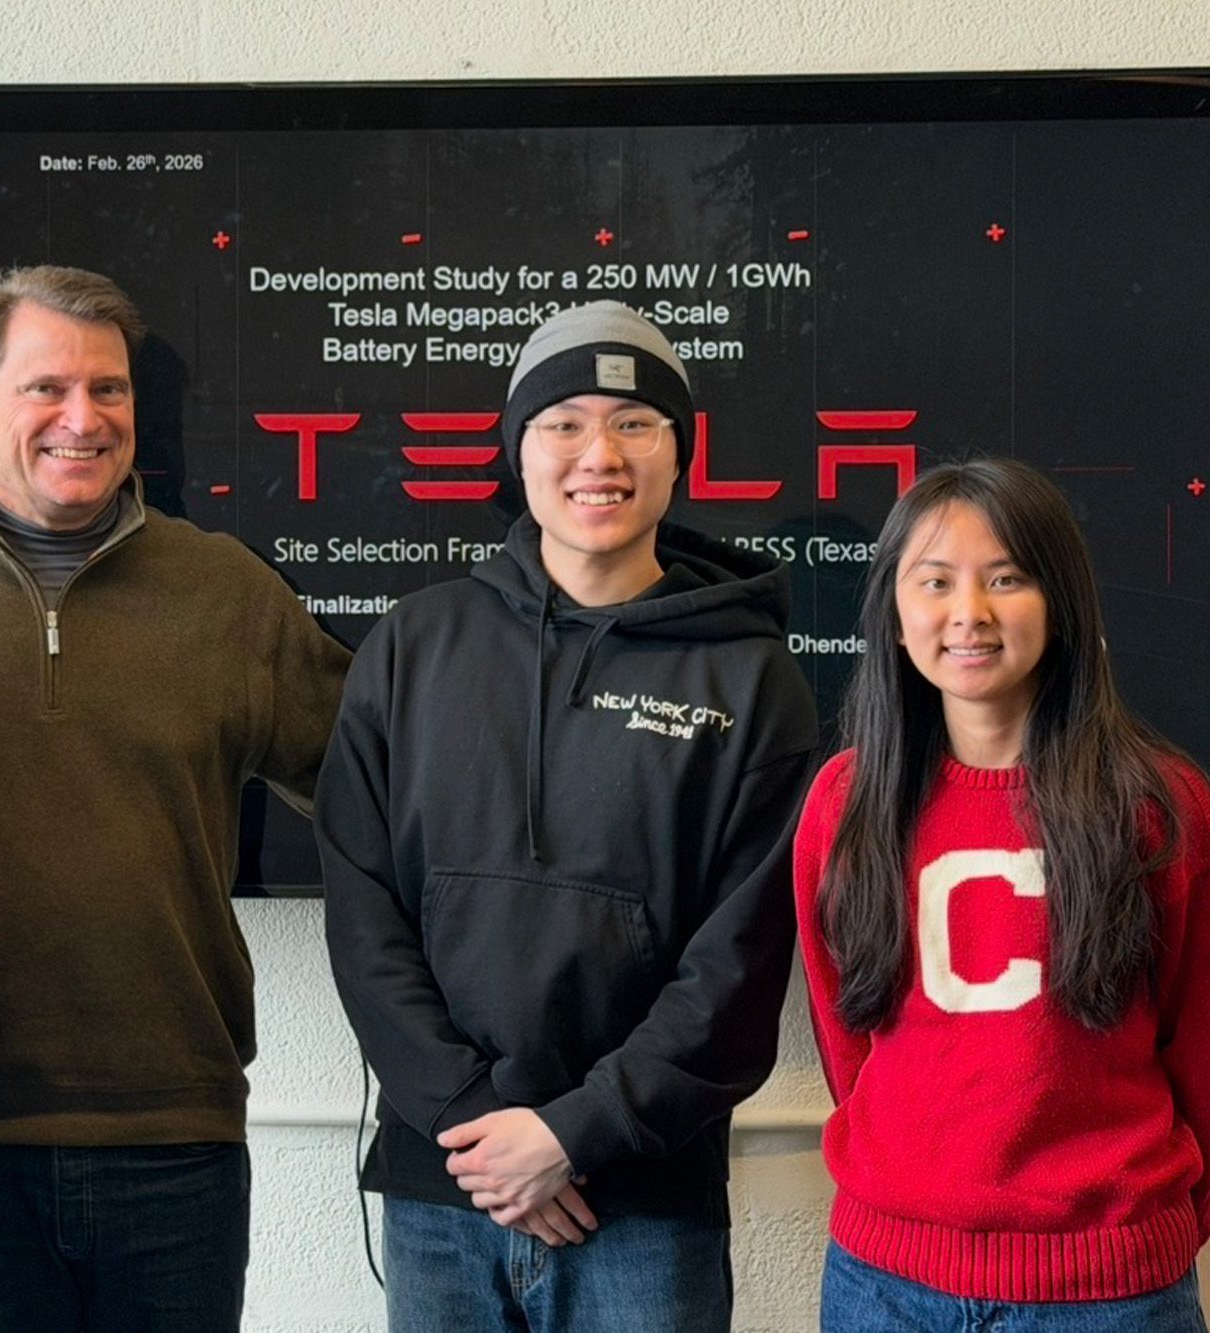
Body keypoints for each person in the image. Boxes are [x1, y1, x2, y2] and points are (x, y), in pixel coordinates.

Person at [0, 265, 350, 1332]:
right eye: (45, 388)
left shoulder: (226, 592)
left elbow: (387, 791)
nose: (84, 418)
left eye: (108, 390)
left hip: (174, 1137)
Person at [317, 301, 819, 1332]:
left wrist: (572, 1134)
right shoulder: (413, 644)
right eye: (563, 423)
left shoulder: (750, 676)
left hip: (644, 1205)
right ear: (518, 449)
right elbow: (362, 911)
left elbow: (737, 962)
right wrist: (475, 1124)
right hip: (444, 1189)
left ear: (680, 453)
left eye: (634, 423)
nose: (599, 454)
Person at [794, 458, 1210, 1331]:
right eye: (935, 581)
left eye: (1007, 579)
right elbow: (846, 1033)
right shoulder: (846, 802)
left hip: (1109, 1289)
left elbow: (1198, 1036)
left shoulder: (1157, 805)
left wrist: (1147, 1228)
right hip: (885, 1283)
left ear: (1059, 602)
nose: (968, 615)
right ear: (895, 613)